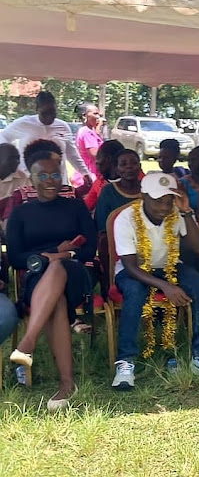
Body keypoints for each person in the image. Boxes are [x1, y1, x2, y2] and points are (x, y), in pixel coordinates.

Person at [110, 173, 199, 389]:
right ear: (143, 196)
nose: (163, 207)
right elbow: (131, 265)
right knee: (135, 291)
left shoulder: (176, 214)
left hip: (168, 266)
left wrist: (187, 212)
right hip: (133, 270)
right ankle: (126, 362)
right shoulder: (126, 218)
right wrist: (165, 286)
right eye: (157, 200)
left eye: (168, 201)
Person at [7, 150, 97, 410]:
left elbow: (90, 249)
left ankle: (28, 341)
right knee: (55, 297)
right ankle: (67, 385)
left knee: (58, 268)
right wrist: (45, 257)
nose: (50, 180)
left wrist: (59, 254)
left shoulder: (76, 206)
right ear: (31, 179)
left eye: (55, 174)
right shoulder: (21, 214)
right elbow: (14, 257)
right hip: (37, 277)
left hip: (76, 272)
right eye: (42, 175)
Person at [0, 92, 92, 185]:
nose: (49, 116)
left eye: (52, 112)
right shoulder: (23, 123)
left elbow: (72, 154)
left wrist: (85, 173)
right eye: (45, 113)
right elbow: (3, 136)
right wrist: (9, 156)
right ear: (36, 109)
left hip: (57, 181)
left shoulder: (63, 126)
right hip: (28, 181)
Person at [95, 149, 142, 232]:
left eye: (134, 163)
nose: (129, 167)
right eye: (123, 164)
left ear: (140, 166)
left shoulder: (149, 189)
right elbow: (101, 224)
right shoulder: (108, 191)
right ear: (116, 169)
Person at [83, 140, 125, 212]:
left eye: (99, 162)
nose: (97, 167)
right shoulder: (99, 182)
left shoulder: (137, 181)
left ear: (108, 159)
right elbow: (85, 207)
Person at [0, 143, 29, 233]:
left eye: (18, 158)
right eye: (11, 158)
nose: (17, 162)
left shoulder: (22, 177)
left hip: (13, 225)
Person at [73, 103, 105, 182]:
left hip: (84, 174)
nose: (98, 117)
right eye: (95, 114)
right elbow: (95, 154)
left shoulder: (86, 130)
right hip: (90, 175)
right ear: (84, 116)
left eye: (99, 115)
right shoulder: (87, 132)